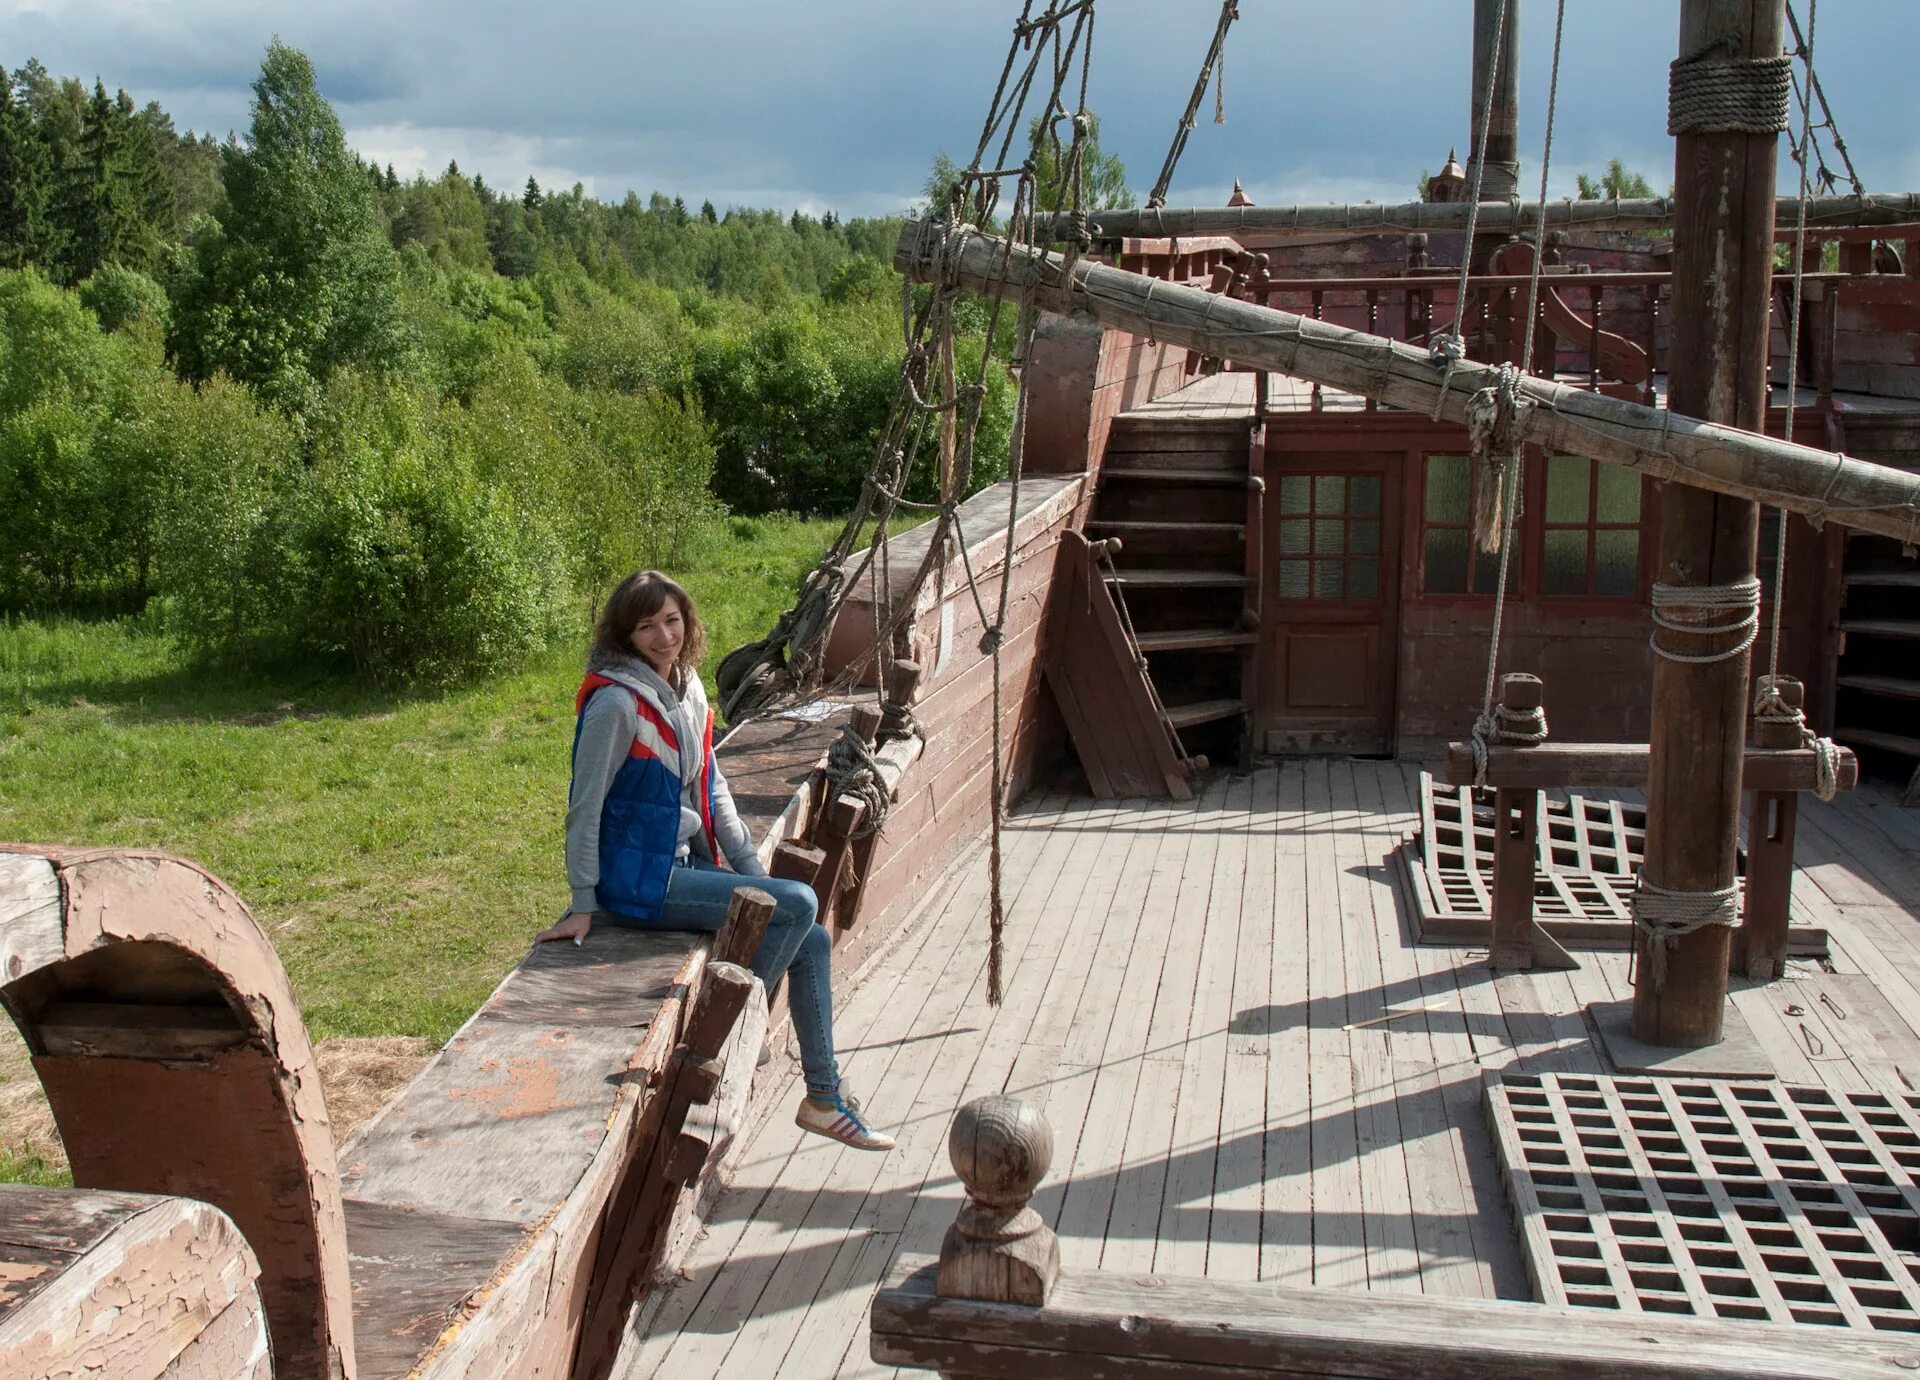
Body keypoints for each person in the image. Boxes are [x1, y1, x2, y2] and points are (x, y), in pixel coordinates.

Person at [536, 570, 892, 1152]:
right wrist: (583, 902)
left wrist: (753, 874)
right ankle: (737, 1042)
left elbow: (716, 787)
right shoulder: (616, 706)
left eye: (672, 620)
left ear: (688, 622)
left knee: (811, 936)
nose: (663, 636)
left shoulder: (688, 690)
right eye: (646, 626)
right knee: (800, 901)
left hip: (683, 865)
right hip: (638, 882)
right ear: (624, 635)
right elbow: (584, 807)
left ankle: (823, 1098)